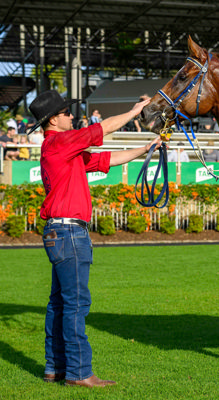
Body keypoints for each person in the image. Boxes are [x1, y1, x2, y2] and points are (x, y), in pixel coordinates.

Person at [28, 89, 159, 388]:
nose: (71, 115)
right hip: (70, 233)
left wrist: (148, 147)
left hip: (59, 232)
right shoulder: (60, 142)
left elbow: (108, 160)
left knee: (59, 304)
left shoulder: (61, 149)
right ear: (53, 120)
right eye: (66, 112)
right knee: (75, 305)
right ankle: (79, 373)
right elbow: (103, 128)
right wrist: (135, 110)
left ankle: (55, 368)